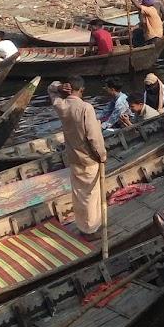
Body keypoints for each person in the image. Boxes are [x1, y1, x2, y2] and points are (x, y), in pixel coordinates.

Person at [47, 76, 107, 239]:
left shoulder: (61, 105)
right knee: (90, 195)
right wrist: (102, 155)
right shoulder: (85, 108)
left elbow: (51, 89)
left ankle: (84, 226)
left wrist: (58, 87)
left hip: (73, 157)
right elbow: (94, 137)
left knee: (79, 193)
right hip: (88, 159)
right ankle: (90, 229)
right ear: (81, 90)